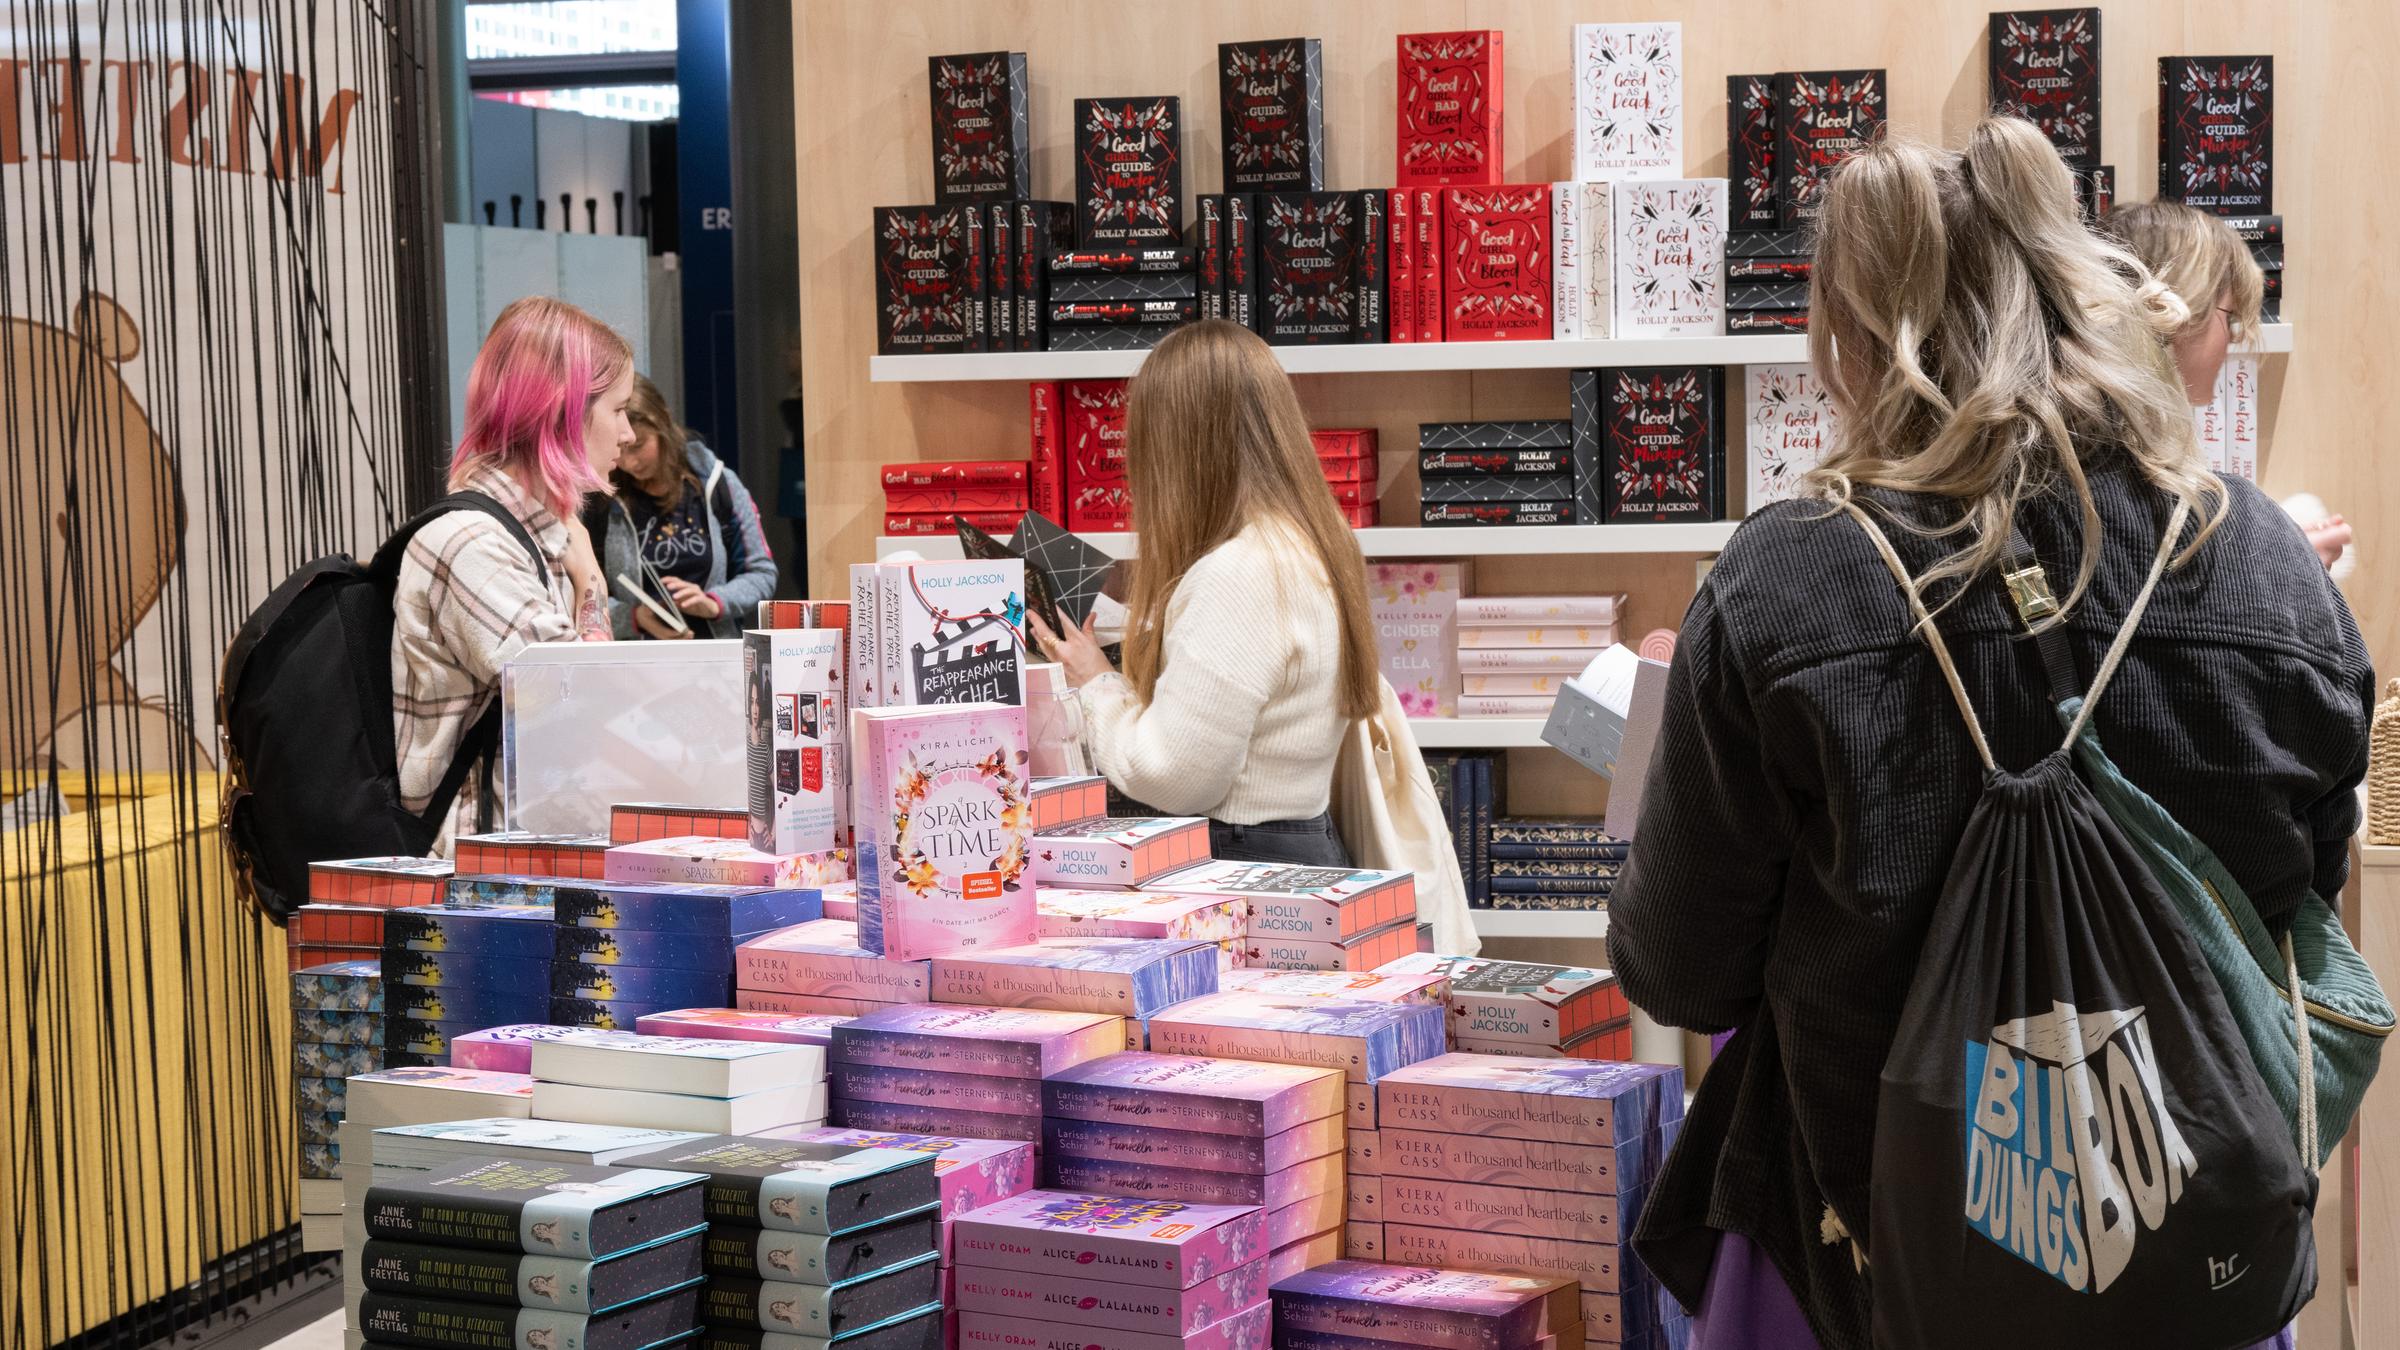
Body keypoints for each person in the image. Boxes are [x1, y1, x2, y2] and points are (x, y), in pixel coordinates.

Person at [1605, 120, 2373, 1350]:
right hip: (2195, 1265)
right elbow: (2303, 906)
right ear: (2080, 283)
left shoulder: (1792, 582)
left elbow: (1680, 969)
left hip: (1866, 1264)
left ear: (1856, 336)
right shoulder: (2269, 570)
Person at [1026, 319, 1381, 867]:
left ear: (1179, 450)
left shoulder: (1239, 574)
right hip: (1296, 846)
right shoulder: (1306, 545)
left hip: (1242, 859)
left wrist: (1096, 684)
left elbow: (1173, 776)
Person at [390, 296, 632, 824]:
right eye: (617, 409)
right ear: (561, 413)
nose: (628, 432)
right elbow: (583, 702)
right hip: (478, 878)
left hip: (520, 858)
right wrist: (590, 578)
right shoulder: (473, 545)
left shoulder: (533, 536)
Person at [2104, 199, 2353, 575]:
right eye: (2230, 316)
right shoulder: (2136, 491)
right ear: (2176, 315)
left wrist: (2275, 548)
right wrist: (2286, 570)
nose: (2233, 340)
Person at [585, 375, 777, 639]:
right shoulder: (603, 497)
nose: (630, 462)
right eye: (621, 449)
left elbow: (762, 573)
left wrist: (713, 603)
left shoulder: (718, 484)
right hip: (638, 665)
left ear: (662, 423)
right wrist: (635, 618)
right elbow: (583, 594)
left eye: (639, 446)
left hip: (715, 658)